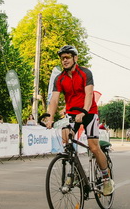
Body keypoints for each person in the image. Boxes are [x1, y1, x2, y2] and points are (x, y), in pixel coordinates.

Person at [44, 45, 114, 196]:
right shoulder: (59, 78)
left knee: (93, 147)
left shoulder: (85, 73)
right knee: (66, 140)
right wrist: (50, 118)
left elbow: (89, 94)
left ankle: (106, 178)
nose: (64, 60)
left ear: (75, 58)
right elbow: (54, 100)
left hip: (89, 112)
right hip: (71, 113)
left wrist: (84, 111)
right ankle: (74, 173)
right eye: (62, 58)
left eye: (67, 57)